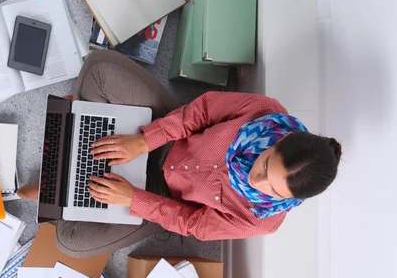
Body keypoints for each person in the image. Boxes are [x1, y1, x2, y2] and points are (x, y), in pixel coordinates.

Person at [18, 50, 342, 257]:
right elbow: (199, 113)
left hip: (163, 197)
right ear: (278, 142)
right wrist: (145, 140)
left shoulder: (262, 221)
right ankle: (69, 170)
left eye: (272, 189)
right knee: (99, 65)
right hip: (168, 138)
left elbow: (193, 224)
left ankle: (72, 155)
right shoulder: (266, 113)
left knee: (70, 240)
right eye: (266, 165)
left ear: (289, 199)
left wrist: (134, 199)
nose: (258, 182)